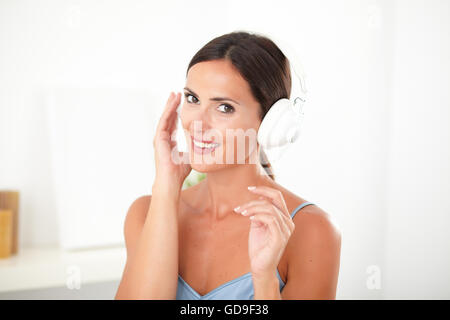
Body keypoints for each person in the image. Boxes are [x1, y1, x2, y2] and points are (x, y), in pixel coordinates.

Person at [115, 31, 341, 300]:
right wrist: (166, 188)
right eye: (193, 99)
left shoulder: (312, 231)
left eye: (224, 108)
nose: (197, 123)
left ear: (271, 124)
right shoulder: (144, 214)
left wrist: (265, 278)